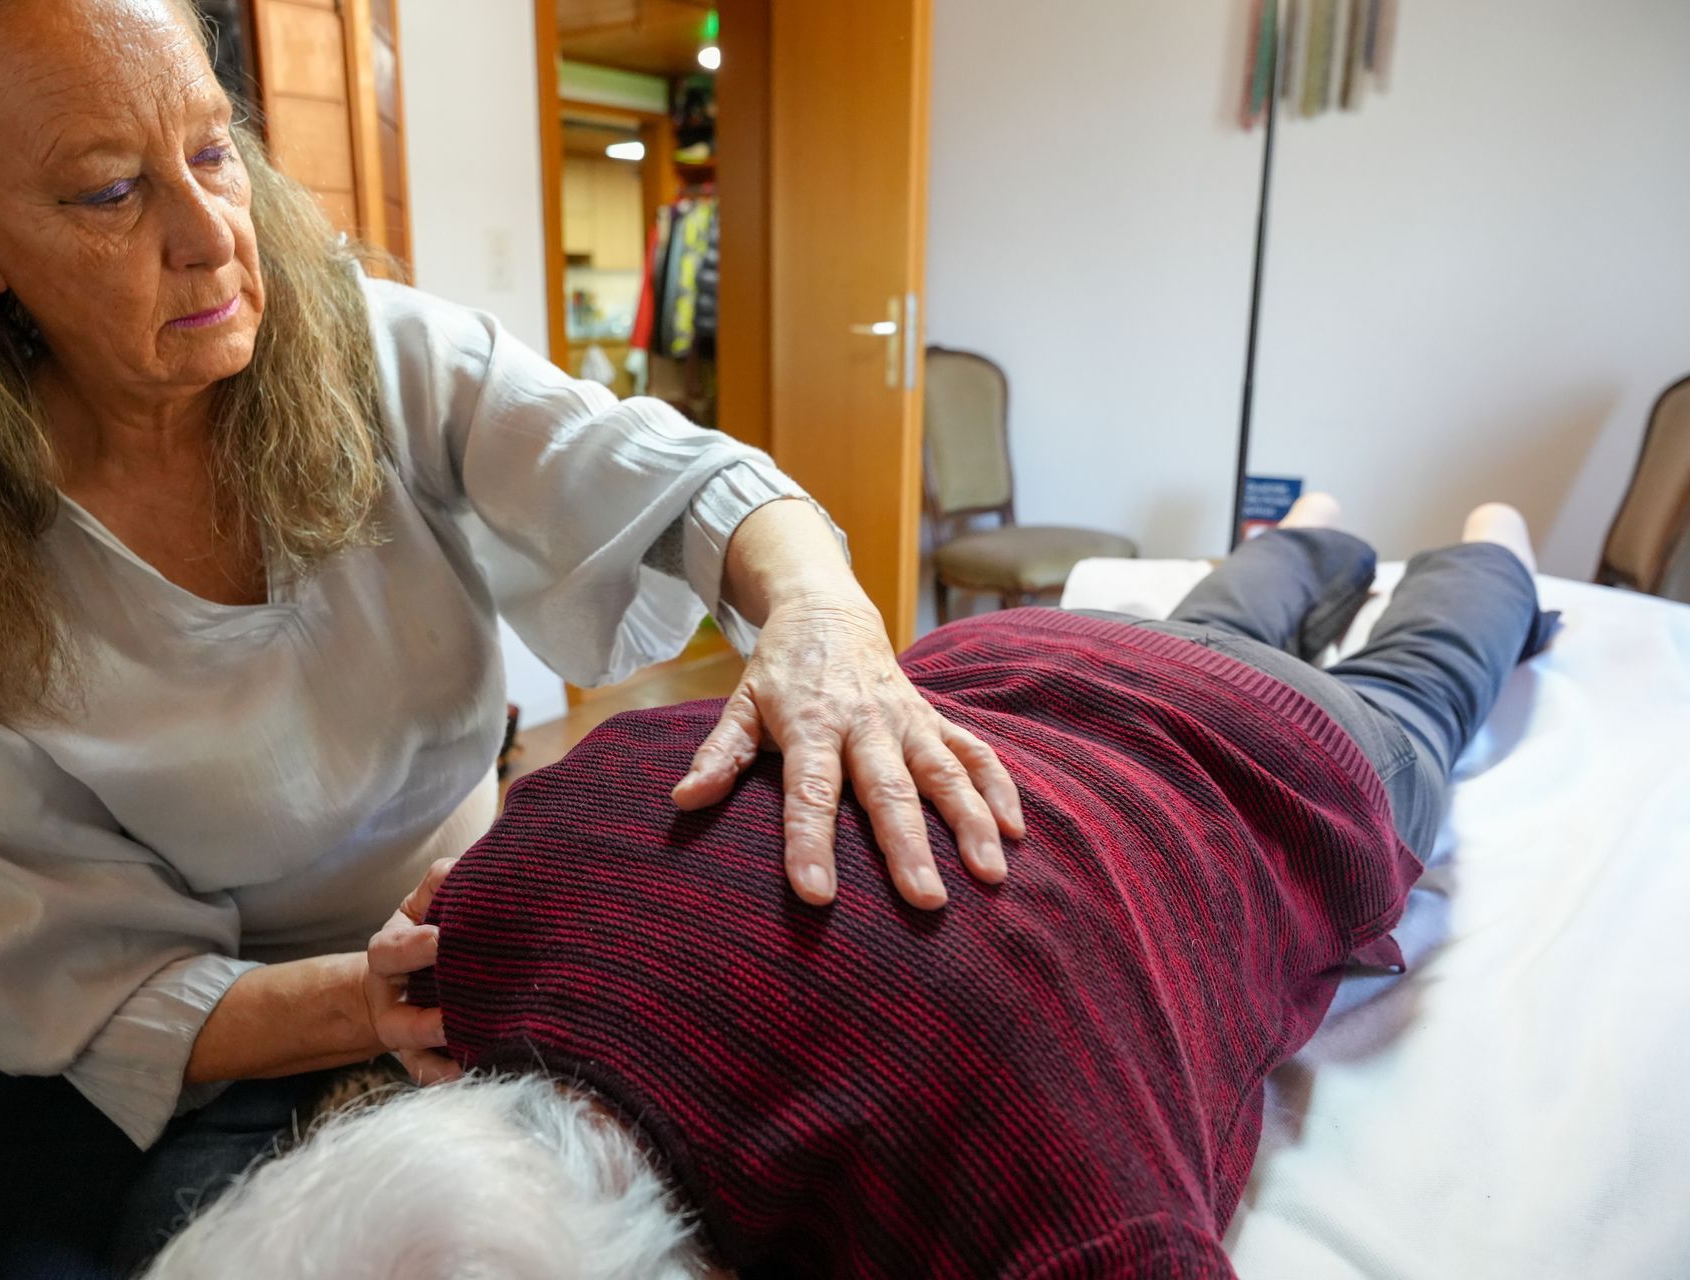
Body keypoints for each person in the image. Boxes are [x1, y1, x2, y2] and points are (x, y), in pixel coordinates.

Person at [0, 0, 1023, 1272]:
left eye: (213, 149)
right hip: (194, 1027)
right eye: (109, 191)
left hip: (457, 937)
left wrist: (824, 617)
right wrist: (374, 995)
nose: (210, 238)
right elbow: (86, 992)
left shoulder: (379, 355)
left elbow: (680, 480)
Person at [143, 499, 1559, 1280]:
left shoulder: (1035, 1204)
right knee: (1206, 624)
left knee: (1418, 689)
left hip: (1265, 764)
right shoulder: (490, 919)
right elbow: (626, 768)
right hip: (1021, 666)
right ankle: (1316, 527)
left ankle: (1490, 547)